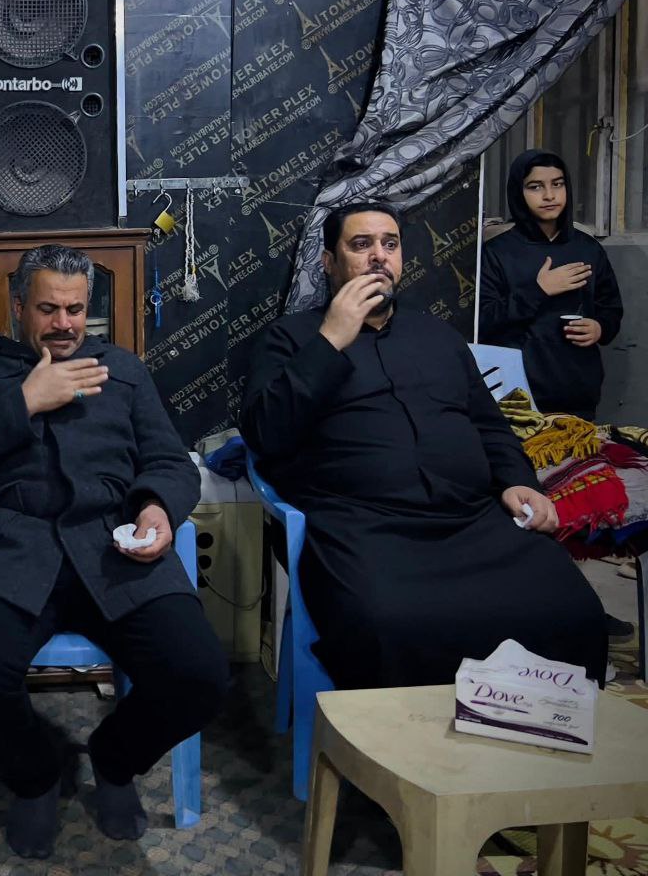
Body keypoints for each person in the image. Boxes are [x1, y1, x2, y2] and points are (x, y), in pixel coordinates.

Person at [0, 244, 227, 859]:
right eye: (48, 309)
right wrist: (23, 401)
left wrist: (156, 508)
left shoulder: (123, 371)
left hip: (112, 548)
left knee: (199, 675)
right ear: (18, 306)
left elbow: (169, 461)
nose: (63, 324)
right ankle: (36, 773)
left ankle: (113, 760)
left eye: (75, 310)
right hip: (7, 548)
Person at [241, 202, 607, 692]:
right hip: (365, 531)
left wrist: (518, 481)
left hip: (473, 522)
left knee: (572, 609)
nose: (379, 256)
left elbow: (490, 426)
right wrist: (330, 340)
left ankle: (531, 736)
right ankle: (403, 742)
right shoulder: (289, 338)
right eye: (361, 244)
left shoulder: (437, 336)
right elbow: (266, 433)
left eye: (390, 244)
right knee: (391, 624)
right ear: (329, 262)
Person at [479, 149, 623, 419]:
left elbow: (611, 309)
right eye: (535, 187)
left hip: (578, 393)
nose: (549, 195)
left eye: (557, 184)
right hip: (515, 397)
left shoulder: (588, 248)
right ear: (518, 192)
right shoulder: (497, 252)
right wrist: (538, 290)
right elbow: (483, 322)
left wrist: (600, 328)